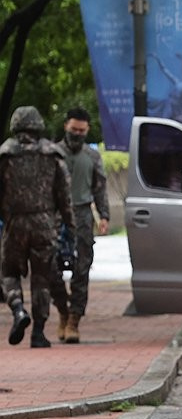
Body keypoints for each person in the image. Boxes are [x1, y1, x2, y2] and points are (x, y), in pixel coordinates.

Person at [0, 106, 73, 348]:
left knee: (8, 272)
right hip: (44, 224)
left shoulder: (5, 154)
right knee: (42, 279)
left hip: (14, 223)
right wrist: (69, 227)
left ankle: (19, 309)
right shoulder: (52, 155)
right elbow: (65, 197)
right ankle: (39, 334)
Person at [50, 107, 109, 344]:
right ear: (66, 126)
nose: (77, 134)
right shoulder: (52, 153)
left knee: (82, 268)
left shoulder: (92, 156)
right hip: (54, 216)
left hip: (83, 215)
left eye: (81, 131)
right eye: (73, 129)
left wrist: (103, 215)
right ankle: (62, 311)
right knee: (50, 267)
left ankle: (74, 319)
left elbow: (100, 187)